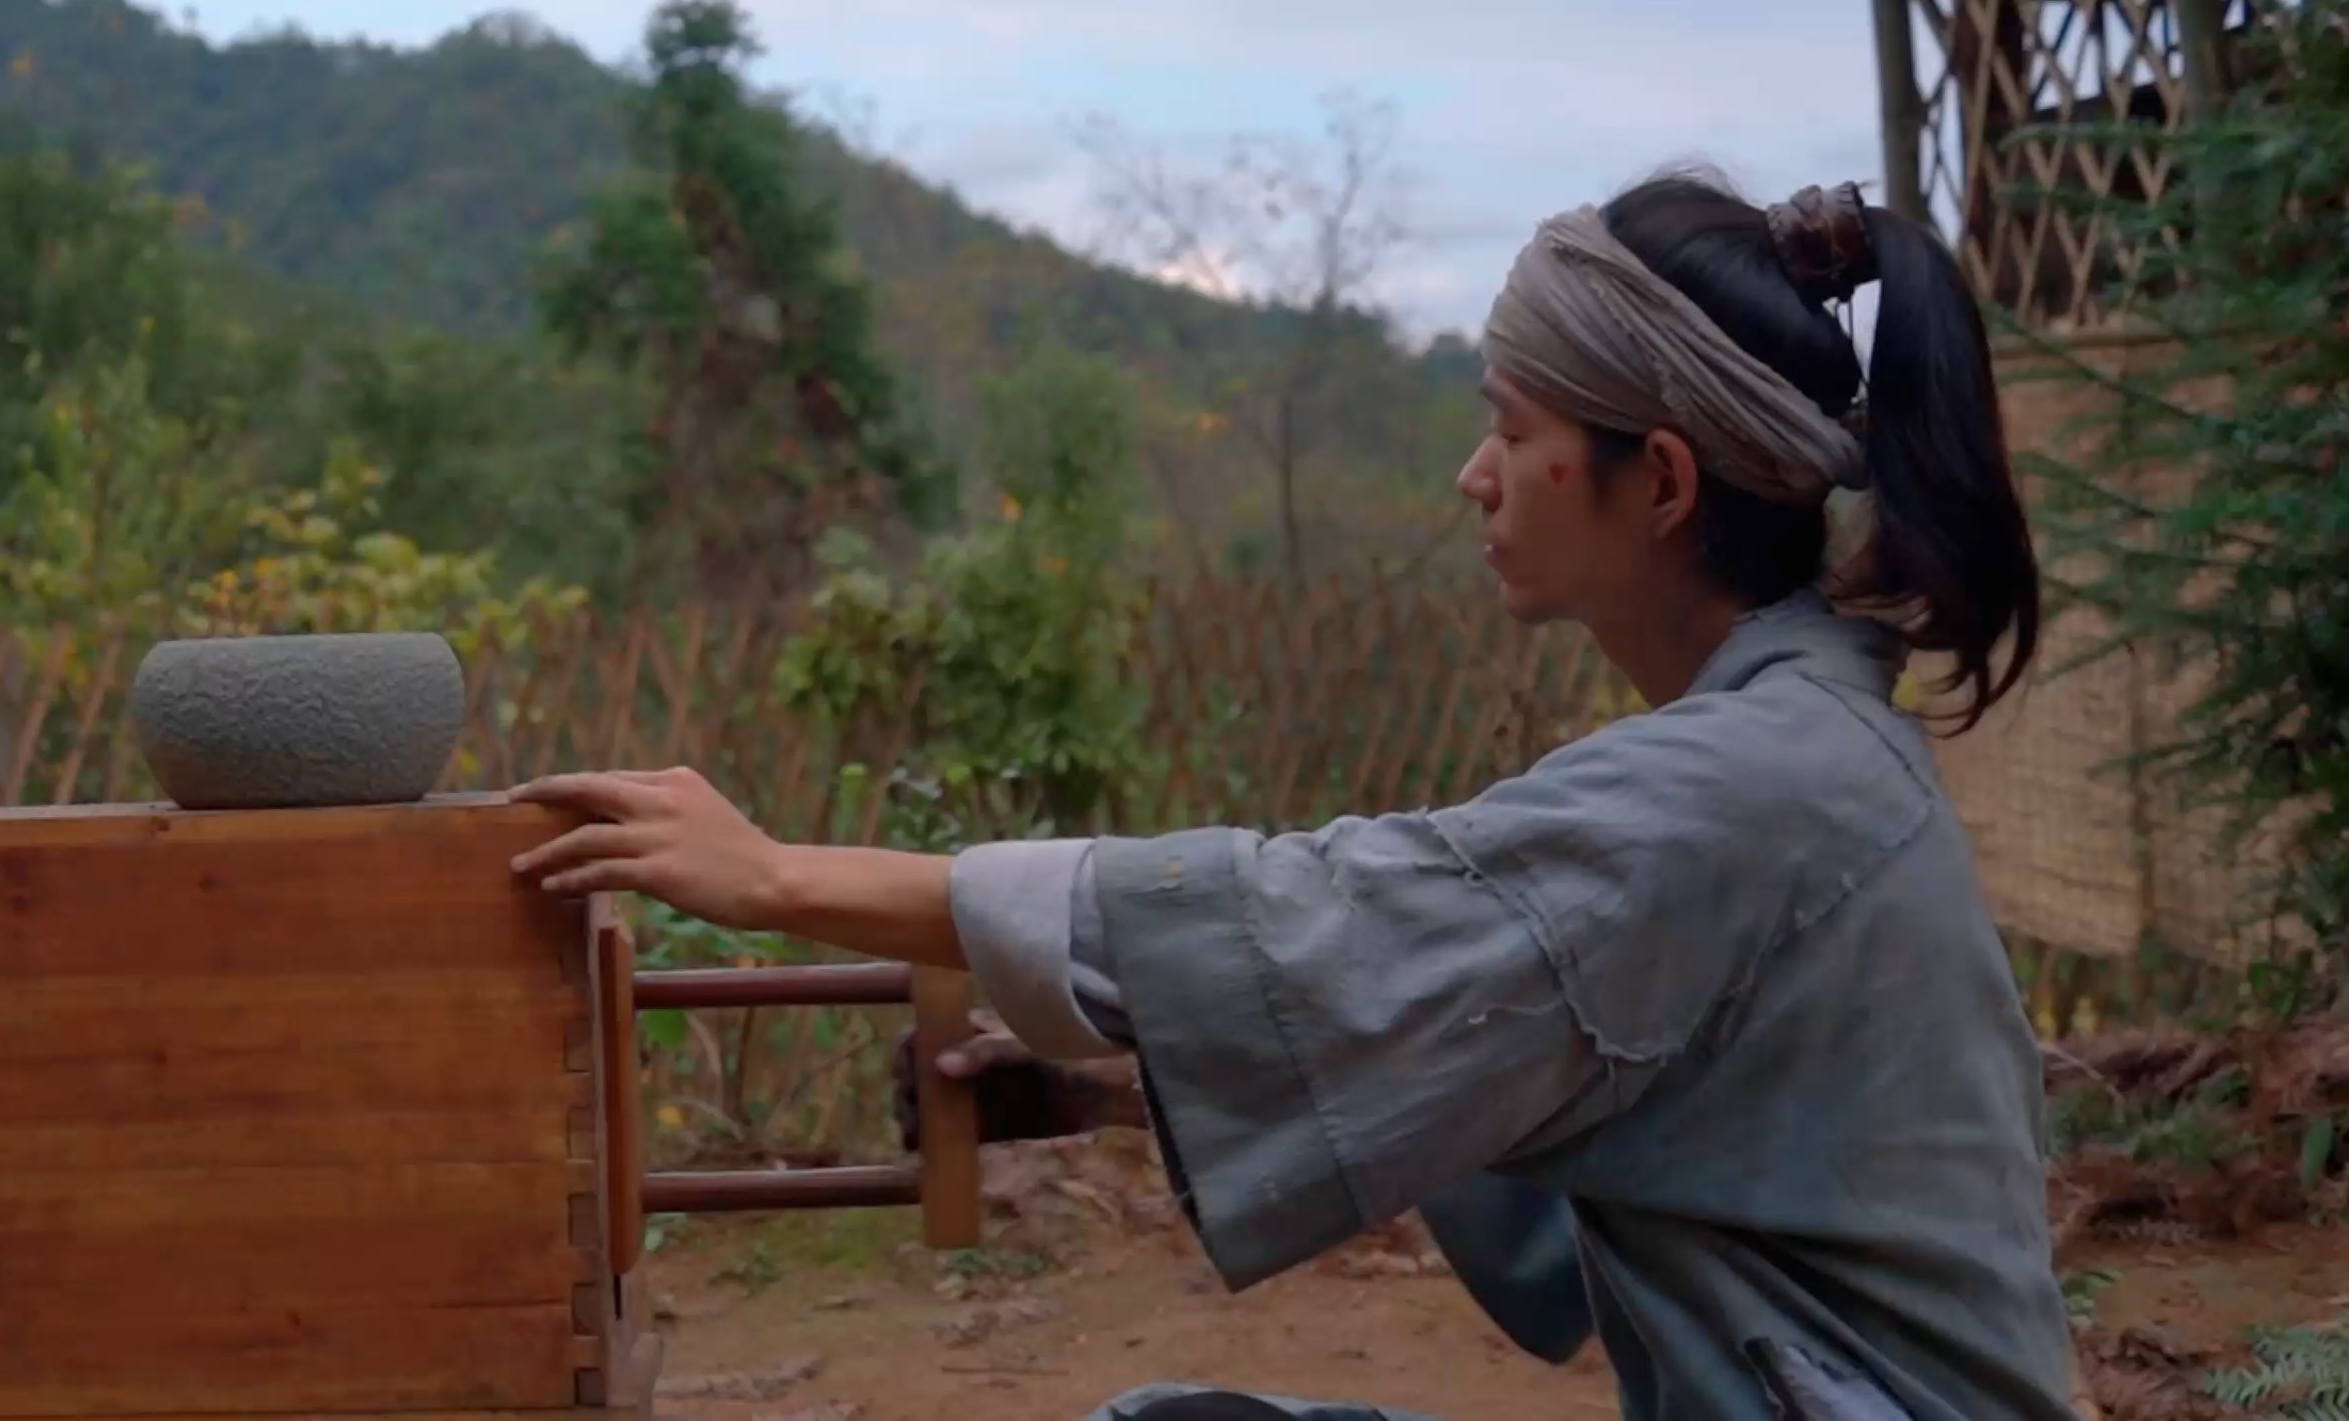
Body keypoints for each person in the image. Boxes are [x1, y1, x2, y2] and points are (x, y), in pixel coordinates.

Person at [512, 173, 2078, 1421]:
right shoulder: (1796, 746)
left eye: (1514, 431)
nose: (1475, 473)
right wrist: (1120, 1077)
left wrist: (779, 876)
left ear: (1658, 483)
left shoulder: (1744, 784)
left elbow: (1323, 917)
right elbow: (1478, 1034)